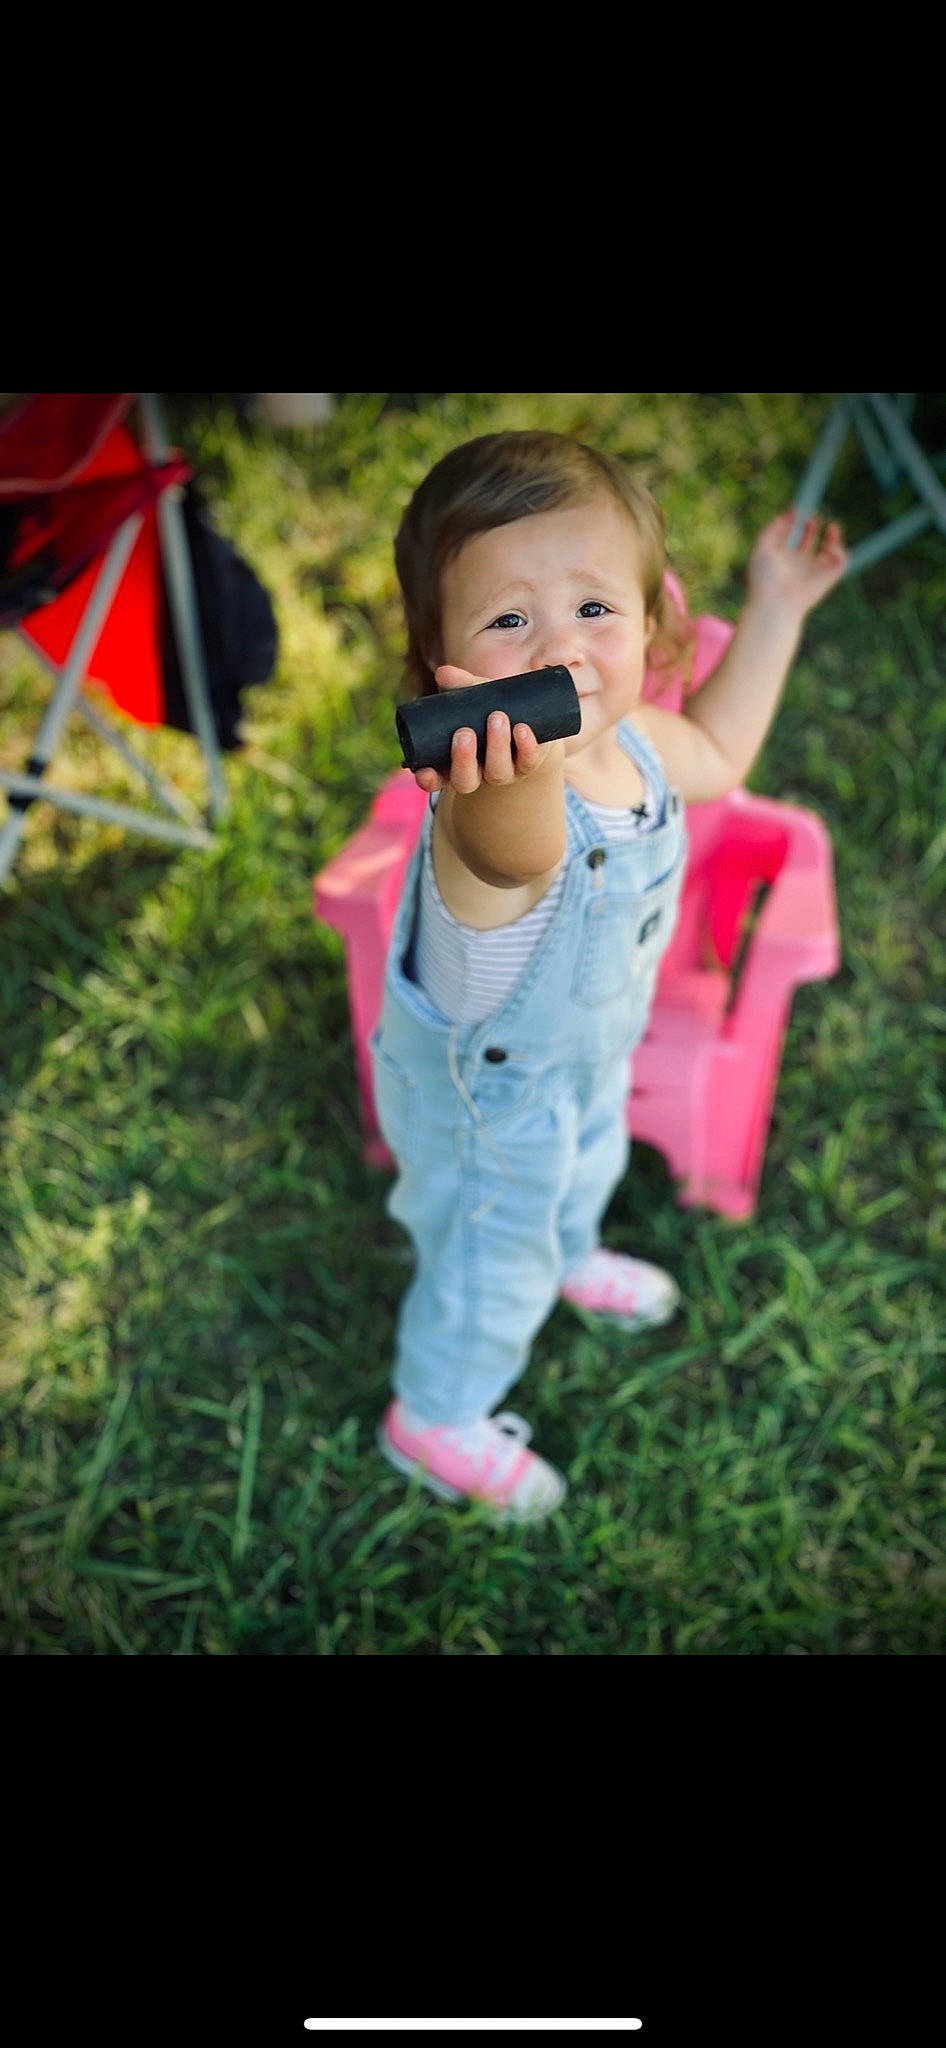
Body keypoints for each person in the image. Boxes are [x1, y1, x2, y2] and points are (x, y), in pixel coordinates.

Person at [370, 428, 847, 1522]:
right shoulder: (486, 808)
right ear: (439, 663)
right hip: (483, 1110)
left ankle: (573, 1245)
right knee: (492, 1262)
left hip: (577, 1062)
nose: (558, 647)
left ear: (648, 624)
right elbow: (519, 853)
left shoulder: (633, 744)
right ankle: (434, 1413)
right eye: (507, 620)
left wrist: (775, 605)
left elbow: (721, 752)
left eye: (593, 609)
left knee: (584, 1159)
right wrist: (508, 773)